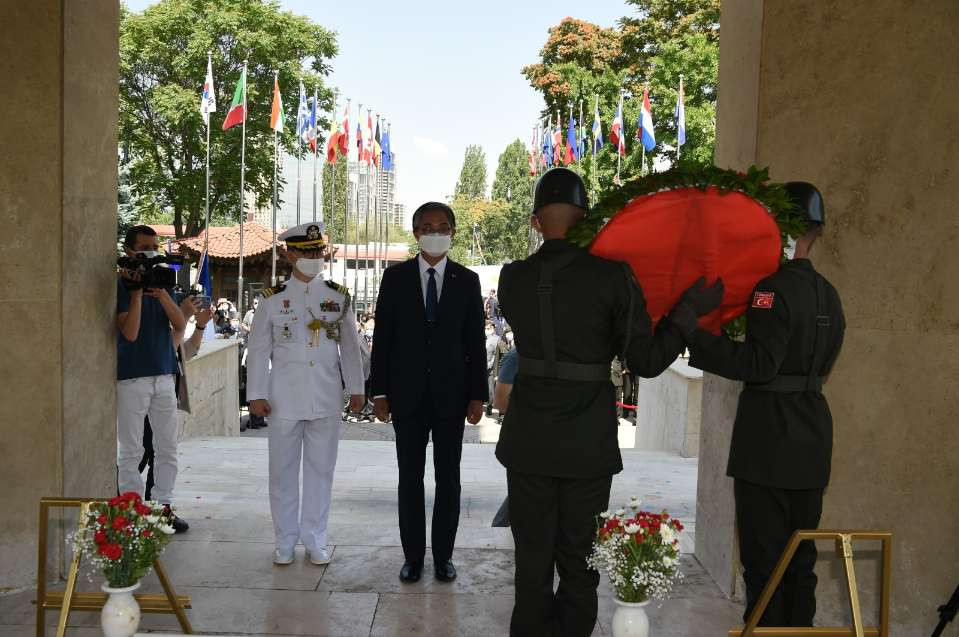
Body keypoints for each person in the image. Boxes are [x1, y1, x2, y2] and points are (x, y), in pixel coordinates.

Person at [495, 168, 723, 636]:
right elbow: (647, 359)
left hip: (530, 440)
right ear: (586, 220)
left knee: (531, 559)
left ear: (536, 223)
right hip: (586, 441)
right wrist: (685, 314)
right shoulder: (613, 277)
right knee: (580, 560)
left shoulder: (513, 278)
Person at [687, 182, 845, 627]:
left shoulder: (770, 291)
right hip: (812, 440)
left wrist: (697, 337)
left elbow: (759, 364)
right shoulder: (830, 295)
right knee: (800, 562)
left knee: (764, 565)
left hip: (768, 444)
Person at [371, 201, 488, 584]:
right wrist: (380, 393)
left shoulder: (468, 281)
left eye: (442, 226)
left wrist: (477, 395)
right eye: (427, 226)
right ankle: (412, 558)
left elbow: (474, 342)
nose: (435, 232)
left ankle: (443, 557)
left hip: (452, 398)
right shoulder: (395, 278)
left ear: (452, 232)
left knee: (448, 480)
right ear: (416, 232)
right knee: (410, 479)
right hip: (406, 396)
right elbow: (383, 341)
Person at [246, 222, 366, 566]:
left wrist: (356, 389)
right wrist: (256, 393)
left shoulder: (338, 296)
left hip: (326, 397)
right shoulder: (272, 300)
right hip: (282, 399)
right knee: (282, 473)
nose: (313, 258)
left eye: (317, 252)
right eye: (306, 252)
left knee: (320, 471)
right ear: (290, 253)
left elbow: (350, 347)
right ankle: (285, 540)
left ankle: (315, 538)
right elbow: (257, 351)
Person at [116, 225, 190, 531]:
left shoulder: (162, 283)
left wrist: (160, 294)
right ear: (131, 251)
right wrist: (135, 295)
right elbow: (130, 333)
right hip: (133, 377)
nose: (152, 252)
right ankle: (131, 511)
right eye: (145, 246)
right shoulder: (120, 286)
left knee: (167, 446)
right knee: (132, 449)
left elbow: (180, 324)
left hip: (164, 374)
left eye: (155, 246)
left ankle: (163, 506)